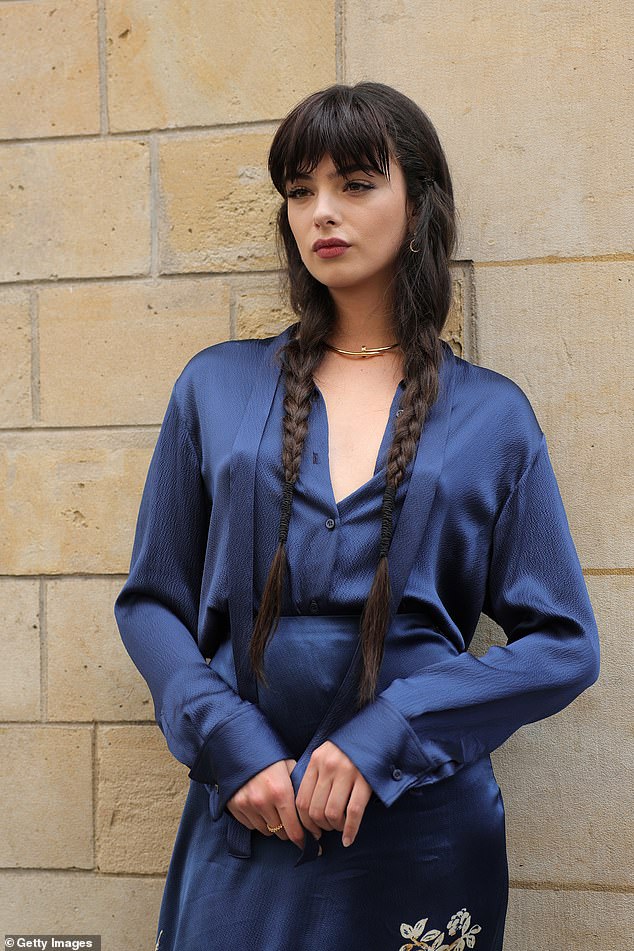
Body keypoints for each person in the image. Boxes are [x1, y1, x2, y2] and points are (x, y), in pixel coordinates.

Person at [113, 81, 600, 951]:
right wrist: (229, 741)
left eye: (356, 184)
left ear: (420, 202)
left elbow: (564, 643)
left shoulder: (492, 417)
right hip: (246, 812)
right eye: (300, 191)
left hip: (421, 822)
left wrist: (393, 731)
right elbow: (153, 600)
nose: (321, 214)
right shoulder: (215, 387)